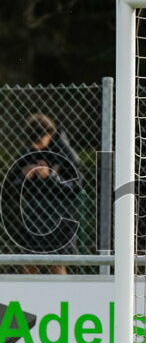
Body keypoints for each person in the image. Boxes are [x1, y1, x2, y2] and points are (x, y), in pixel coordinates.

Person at [3, 114, 82, 274]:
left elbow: (75, 187)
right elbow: (12, 185)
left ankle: (61, 290)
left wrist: (50, 176)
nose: (35, 146)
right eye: (32, 142)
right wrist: (24, 176)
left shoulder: (66, 153)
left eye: (39, 141)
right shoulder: (28, 151)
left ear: (50, 134)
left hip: (60, 215)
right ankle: (27, 291)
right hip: (33, 214)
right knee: (28, 262)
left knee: (57, 263)